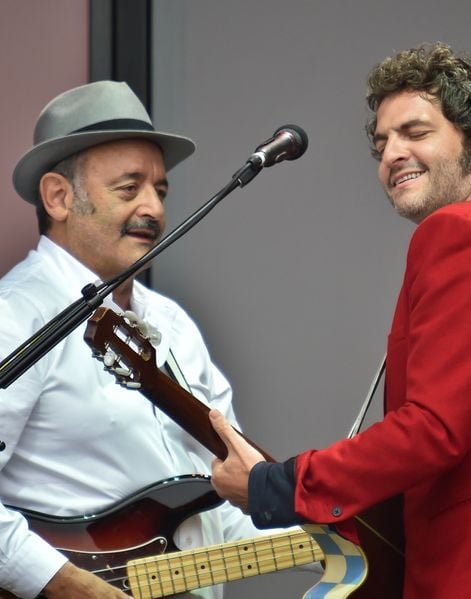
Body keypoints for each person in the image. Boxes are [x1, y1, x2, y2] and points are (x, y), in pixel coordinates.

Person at [209, 42, 471, 598]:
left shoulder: (463, 232)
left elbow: (432, 430)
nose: (391, 154)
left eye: (416, 132)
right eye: (382, 143)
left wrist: (277, 486)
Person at [0, 81, 275, 599]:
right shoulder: (16, 315)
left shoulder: (171, 323)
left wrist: (332, 528)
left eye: (161, 191)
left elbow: (224, 501)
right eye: (129, 189)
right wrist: (63, 584)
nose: (153, 208)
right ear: (59, 197)